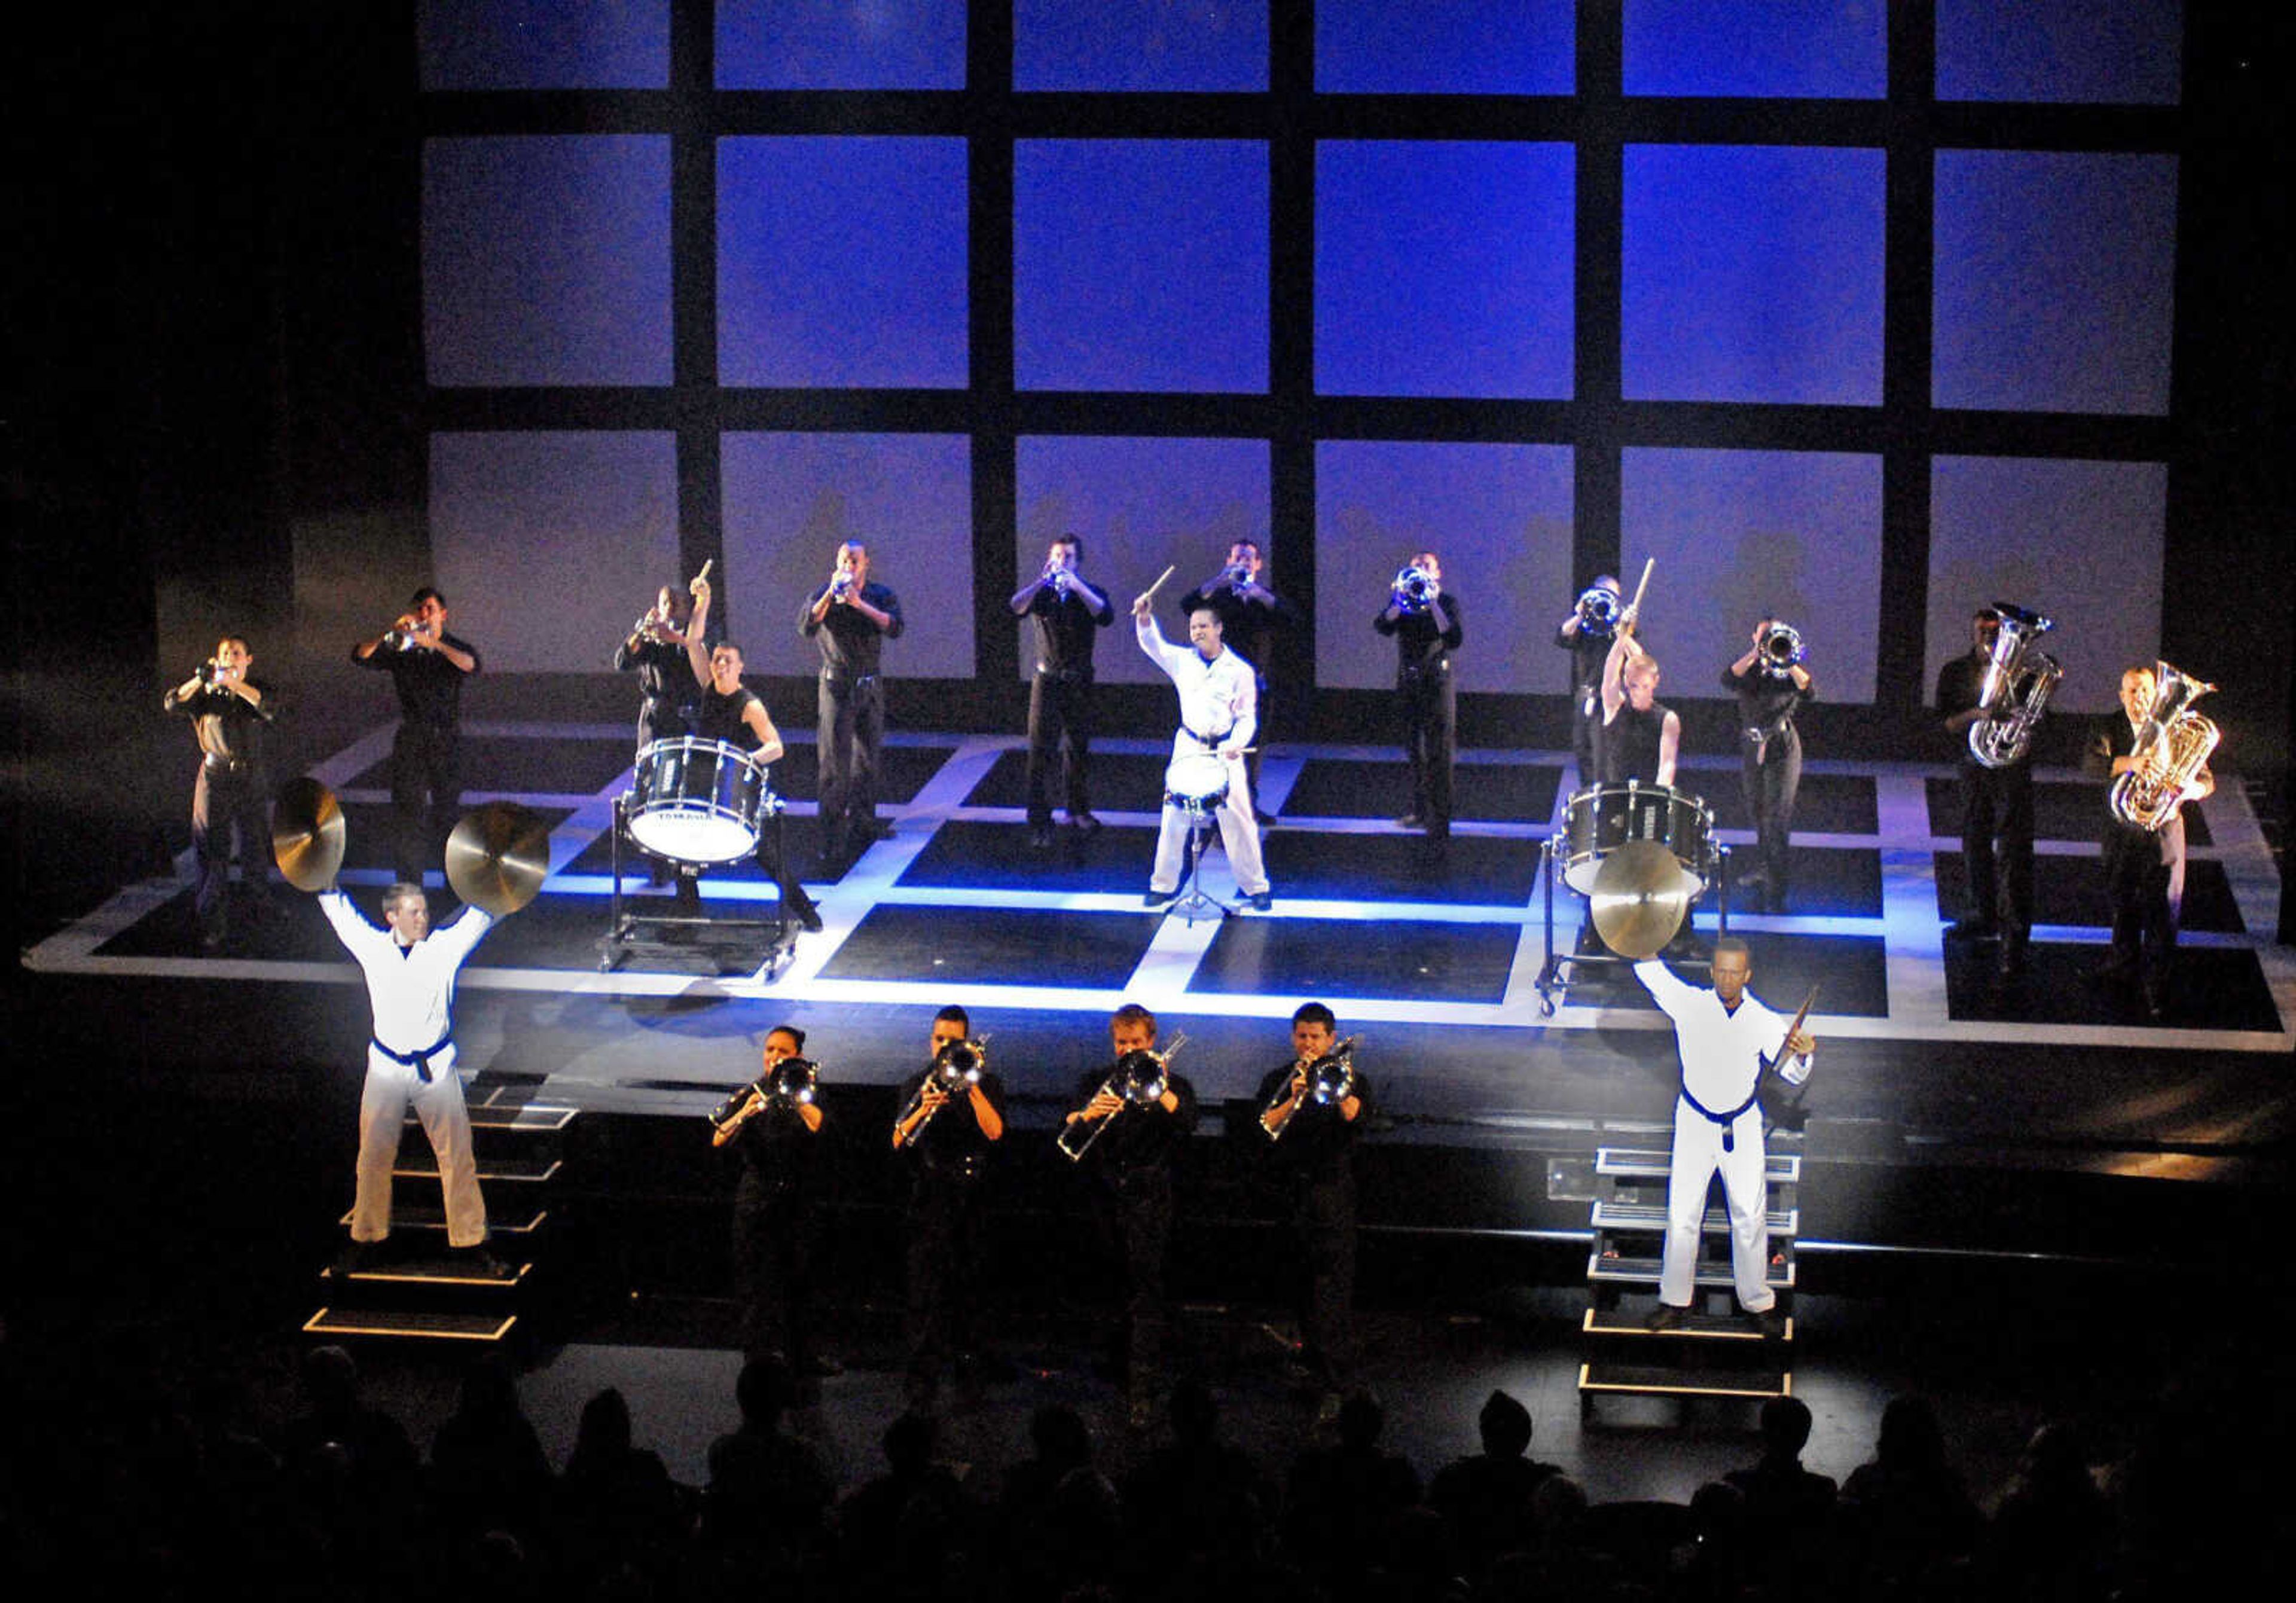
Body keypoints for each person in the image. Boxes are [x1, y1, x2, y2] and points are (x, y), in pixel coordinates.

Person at [316, 877, 514, 1274]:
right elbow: (340, 913)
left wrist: (504, 876)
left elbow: (483, 914)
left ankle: (471, 1238)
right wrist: (324, 879)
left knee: (457, 1156)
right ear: (392, 917)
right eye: (414, 912)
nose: (424, 917)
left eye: (424, 910)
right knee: (373, 1155)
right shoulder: (373, 948)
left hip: (436, 1067)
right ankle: (366, 1236)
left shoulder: (443, 947)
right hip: (387, 1067)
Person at [1636, 938, 1812, 1330]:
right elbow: (1654, 975)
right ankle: (1675, 1300)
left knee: (1750, 1214)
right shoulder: (1691, 1004)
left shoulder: (1763, 1020)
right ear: (1712, 971)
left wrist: (1802, 1053)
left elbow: (1791, 1068)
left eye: (1736, 971)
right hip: (1695, 1120)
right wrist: (1637, 930)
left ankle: (1757, 1303)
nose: (1728, 978)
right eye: (1722, 970)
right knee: (1683, 1213)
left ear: (1747, 975)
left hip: (1742, 1122)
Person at [1063, 1002, 1198, 1428]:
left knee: (1146, 1294)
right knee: (1114, 1287)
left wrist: (1158, 1088)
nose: (1128, 1049)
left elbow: (1189, 1122)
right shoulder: (1096, 1081)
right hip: (1106, 1196)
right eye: (1122, 1043)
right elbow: (1070, 1128)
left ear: (1151, 1042)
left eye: (1136, 1042)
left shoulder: (1172, 1082)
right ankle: (1119, 1370)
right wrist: (1090, 1113)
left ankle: (1143, 1388)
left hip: (1150, 1199)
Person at [679, 576, 822, 932]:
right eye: (717, 660)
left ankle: (805, 911)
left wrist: (745, 760)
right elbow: (693, 641)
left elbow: (776, 747)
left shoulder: (750, 705)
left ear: (741, 666)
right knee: (684, 856)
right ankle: (689, 917)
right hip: (702, 780)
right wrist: (703, 602)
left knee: (767, 857)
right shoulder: (709, 687)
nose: (720, 665)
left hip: (735, 786)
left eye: (728, 661)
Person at [2084, 662, 2214, 1019]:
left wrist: (2191, 788)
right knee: (2122, 902)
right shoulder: (2109, 725)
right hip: (2121, 830)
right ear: (2121, 695)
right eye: (2131, 691)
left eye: (2144, 691)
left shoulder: (2176, 727)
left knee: (2163, 912)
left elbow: (2207, 780)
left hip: (2164, 832)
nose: (2138, 699)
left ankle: (2157, 984)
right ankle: (2123, 967)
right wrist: (2132, 763)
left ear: (2156, 693)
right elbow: (2092, 767)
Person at [891, 1004, 1006, 1405]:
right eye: (939, 1039)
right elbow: (897, 1140)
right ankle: (921, 1378)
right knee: (925, 1292)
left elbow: (994, 1132)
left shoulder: (986, 1083)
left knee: (969, 1291)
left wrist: (971, 1083)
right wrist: (925, 1104)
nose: (944, 1047)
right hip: (931, 1195)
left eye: (953, 1041)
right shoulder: (917, 1083)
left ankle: (970, 1376)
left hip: (972, 1197)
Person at [1256, 1002, 1371, 1402]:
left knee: (1333, 1290)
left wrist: (1336, 1089)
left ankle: (1336, 1381)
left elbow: (1358, 1117)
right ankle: (1311, 1364)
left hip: (1333, 1194)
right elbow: (1265, 1127)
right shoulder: (1280, 1078)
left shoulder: (1349, 1077)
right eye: (1302, 1036)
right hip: (1293, 1195)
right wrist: (1294, 1097)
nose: (1308, 1043)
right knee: (1301, 1285)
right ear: (1294, 1037)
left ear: (1331, 1039)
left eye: (1316, 1037)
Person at [1133, 594, 1272, 911]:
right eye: (1193, 627)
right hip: (1189, 746)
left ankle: (1256, 887)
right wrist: (1144, 618)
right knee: (1174, 816)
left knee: (1239, 821)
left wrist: (1238, 741)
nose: (1197, 632)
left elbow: (1248, 716)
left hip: (1223, 750)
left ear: (1219, 629)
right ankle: (1163, 885)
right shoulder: (1183, 661)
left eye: (1204, 626)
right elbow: (1154, 645)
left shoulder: (1239, 670)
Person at [723, 1025, 831, 1376]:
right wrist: (746, 1112)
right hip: (756, 1206)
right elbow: (717, 1137)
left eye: (783, 1051)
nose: (774, 1057)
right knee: (756, 1290)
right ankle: (757, 1365)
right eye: (770, 1050)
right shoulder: (753, 1093)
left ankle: (802, 1360)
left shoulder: (809, 1091)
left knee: (799, 1287)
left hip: (796, 1204)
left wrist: (799, 1096)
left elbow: (821, 1127)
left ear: (798, 1056)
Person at [353, 586, 480, 884]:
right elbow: (361, 656)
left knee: (448, 813)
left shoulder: (452, 646)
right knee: (409, 815)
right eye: (420, 609)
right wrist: (390, 633)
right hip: (412, 737)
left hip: (446, 739)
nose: (424, 614)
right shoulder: (402, 648)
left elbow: (471, 664)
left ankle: (454, 883)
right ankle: (409, 885)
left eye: (430, 609)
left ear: (443, 615)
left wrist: (433, 643)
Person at [1937, 608, 2039, 976]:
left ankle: (2014, 933)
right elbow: (1946, 723)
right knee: (1974, 840)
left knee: (2013, 849)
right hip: (1973, 763)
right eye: (1983, 631)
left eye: (1997, 632)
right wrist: (1978, 715)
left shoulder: (2023, 676)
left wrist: (2016, 718)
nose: (1990, 638)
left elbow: (2037, 721)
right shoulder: (1955, 672)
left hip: (2012, 768)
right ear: (1973, 631)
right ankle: (1981, 915)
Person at [162, 635, 278, 949]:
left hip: (250, 775)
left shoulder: (253, 690)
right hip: (215, 776)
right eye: (225, 653)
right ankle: (213, 921)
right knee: (213, 849)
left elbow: (269, 708)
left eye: (236, 653)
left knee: (255, 844)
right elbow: (172, 703)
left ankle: (260, 912)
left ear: (247, 660)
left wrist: (235, 684)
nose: (230, 657)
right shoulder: (205, 695)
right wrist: (200, 679)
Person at [799, 541, 903, 868]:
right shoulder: (823, 594)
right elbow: (806, 626)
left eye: (854, 561)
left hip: (870, 686)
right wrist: (831, 595)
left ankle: (864, 823)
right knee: (834, 766)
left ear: (865, 564)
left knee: (867, 760)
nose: (849, 565)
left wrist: (859, 604)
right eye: (844, 560)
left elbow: (895, 627)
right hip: (837, 687)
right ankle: (831, 839)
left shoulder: (880, 594)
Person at [1180, 538, 1299, 822]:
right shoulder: (1219, 601)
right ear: (1229, 561)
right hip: (1223, 688)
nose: (1243, 562)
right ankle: (1224, 812)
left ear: (1258, 565)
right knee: (1225, 751)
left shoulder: (1265, 599)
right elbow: (1188, 605)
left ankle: (1248, 806)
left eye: (1249, 559)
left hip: (1256, 685)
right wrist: (1218, 581)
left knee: (1254, 748)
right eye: (1238, 558)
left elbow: (1292, 618)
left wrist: (1258, 594)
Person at [1010, 533, 1113, 847]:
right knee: (1040, 750)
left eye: (1067, 557)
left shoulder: (1089, 593)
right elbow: (1015, 607)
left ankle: (1078, 810)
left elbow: (1105, 615)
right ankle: (1039, 821)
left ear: (1077, 561)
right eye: (1057, 556)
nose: (1061, 562)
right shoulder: (1043, 594)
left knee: (1078, 748)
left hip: (1080, 680)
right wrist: (1042, 582)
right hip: (1048, 680)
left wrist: (1077, 585)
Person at [1722, 620, 1816, 912]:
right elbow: (1727, 679)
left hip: (1782, 747)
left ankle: (1777, 885)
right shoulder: (1749, 668)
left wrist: (1790, 659)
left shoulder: (1786, 669)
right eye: (1763, 635)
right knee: (1757, 812)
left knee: (1777, 816)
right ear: (1754, 636)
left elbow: (1809, 690)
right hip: (1752, 746)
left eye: (1772, 635)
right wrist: (1755, 652)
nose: (1768, 640)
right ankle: (1765, 867)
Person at [1374, 552, 1464, 839]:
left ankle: (1441, 819)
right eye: (1416, 566)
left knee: (1440, 752)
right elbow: (1383, 626)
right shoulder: (1403, 602)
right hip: (1409, 682)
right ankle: (1419, 809)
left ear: (1437, 574)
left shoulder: (1447, 603)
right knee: (1415, 750)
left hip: (1437, 682)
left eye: (1426, 566)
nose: (1421, 570)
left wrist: (1433, 603)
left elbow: (1453, 639)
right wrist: (1399, 603)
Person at [1598, 605, 1680, 786]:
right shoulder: (1614, 707)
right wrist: (1622, 636)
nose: (1640, 692)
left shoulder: (1668, 719)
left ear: (1655, 682)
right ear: (1626, 683)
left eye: (1645, 686)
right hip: (1615, 795)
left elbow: (1667, 764)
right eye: (1634, 686)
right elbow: (1610, 672)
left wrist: (1658, 797)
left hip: (1649, 796)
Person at [1555, 573, 1622, 781]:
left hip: (1609, 698)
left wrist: (1622, 623)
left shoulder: (1619, 626)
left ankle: (1605, 803)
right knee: (1581, 749)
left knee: (1603, 755)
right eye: (1602, 591)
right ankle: (1587, 804)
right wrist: (1579, 615)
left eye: (1611, 593)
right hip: (1584, 697)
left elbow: (1633, 648)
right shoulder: (1584, 626)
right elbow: (1562, 636)